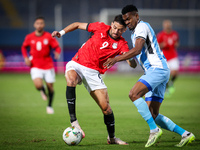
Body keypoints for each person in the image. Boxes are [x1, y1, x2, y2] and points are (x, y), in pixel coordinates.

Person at [104, 5, 195, 148]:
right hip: (159, 70)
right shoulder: (135, 33)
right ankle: (185, 134)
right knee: (152, 114)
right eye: (125, 20)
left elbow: (137, 49)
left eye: (129, 19)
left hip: (156, 69)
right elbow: (135, 61)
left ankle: (154, 130)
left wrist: (116, 59)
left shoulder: (141, 27)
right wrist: (127, 58)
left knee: (133, 94)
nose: (127, 22)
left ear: (137, 16)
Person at [52, 14, 136, 144]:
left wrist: (130, 57)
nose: (115, 31)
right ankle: (73, 121)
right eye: (114, 27)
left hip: (93, 73)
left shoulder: (122, 44)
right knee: (71, 80)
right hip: (77, 63)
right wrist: (61, 33)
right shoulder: (100, 27)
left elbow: (132, 64)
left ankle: (112, 138)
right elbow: (77, 24)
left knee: (106, 108)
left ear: (124, 30)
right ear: (111, 23)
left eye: (119, 29)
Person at [21, 16, 61, 114]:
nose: (39, 25)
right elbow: (23, 47)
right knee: (38, 85)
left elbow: (57, 47)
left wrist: (57, 52)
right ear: (34, 25)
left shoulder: (48, 36)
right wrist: (26, 58)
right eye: (37, 23)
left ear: (44, 25)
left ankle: (49, 106)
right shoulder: (29, 37)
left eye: (41, 23)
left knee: (50, 87)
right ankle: (42, 89)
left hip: (48, 65)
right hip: (35, 65)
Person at [157, 20, 179, 96]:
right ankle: (166, 86)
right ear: (164, 26)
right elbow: (157, 46)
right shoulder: (161, 35)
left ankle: (171, 82)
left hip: (173, 56)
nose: (167, 27)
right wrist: (162, 45)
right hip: (165, 57)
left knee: (175, 73)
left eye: (168, 25)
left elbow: (177, 43)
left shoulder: (175, 34)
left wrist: (176, 44)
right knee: (166, 74)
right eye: (166, 25)